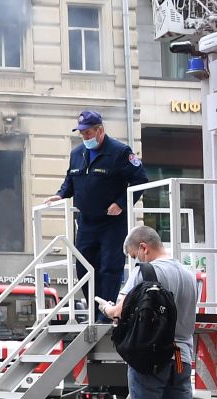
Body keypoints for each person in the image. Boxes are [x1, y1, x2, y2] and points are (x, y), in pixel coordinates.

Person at [99, 225, 206, 399]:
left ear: (144, 247)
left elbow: (121, 310)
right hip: (182, 356)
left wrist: (107, 308)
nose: (136, 260)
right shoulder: (187, 274)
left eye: (135, 254)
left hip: (150, 358)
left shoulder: (145, 272)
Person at [46, 109, 150, 303]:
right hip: (86, 222)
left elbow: (140, 180)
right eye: (82, 133)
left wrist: (120, 204)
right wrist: (60, 195)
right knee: (83, 267)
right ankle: (94, 308)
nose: (84, 137)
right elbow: (71, 179)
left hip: (112, 223)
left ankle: (105, 311)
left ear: (99, 130)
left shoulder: (120, 152)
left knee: (109, 267)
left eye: (88, 133)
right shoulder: (77, 153)